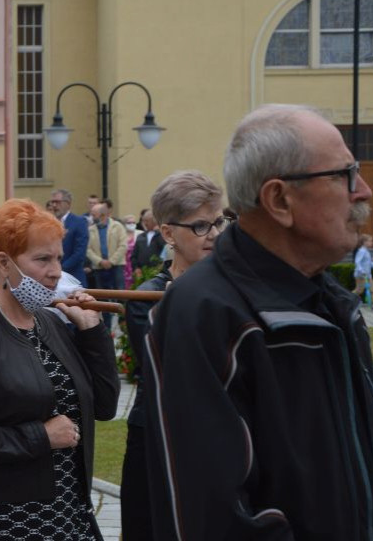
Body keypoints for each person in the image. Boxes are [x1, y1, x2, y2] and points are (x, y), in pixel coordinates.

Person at [144, 104, 373, 539]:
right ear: (278, 199)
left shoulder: (334, 303)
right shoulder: (206, 312)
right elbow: (214, 516)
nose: (364, 191)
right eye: (344, 175)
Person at [0, 199, 118, 541]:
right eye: (42, 259)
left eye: (59, 259)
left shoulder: (50, 323)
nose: (55, 272)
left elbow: (104, 407)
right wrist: (41, 436)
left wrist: (92, 333)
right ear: (4, 263)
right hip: (5, 513)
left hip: (68, 505)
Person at [119, 171, 225, 541]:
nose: (213, 234)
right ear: (167, 234)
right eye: (200, 226)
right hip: (159, 437)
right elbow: (173, 364)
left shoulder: (235, 289)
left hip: (223, 438)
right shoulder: (147, 298)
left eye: (218, 222)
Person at [86, 202, 127, 329]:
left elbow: (123, 245)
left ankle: (123, 325)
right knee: (102, 299)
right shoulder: (90, 229)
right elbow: (88, 249)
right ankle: (107, 327)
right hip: (99, 268)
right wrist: (100, 261)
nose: (92, 217)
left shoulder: (117, 226)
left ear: (103, 215)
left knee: (120, 296)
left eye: (94, 215)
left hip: (116, 266)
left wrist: (112, 261)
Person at [50, 189, 88, 285]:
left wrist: (60, 268)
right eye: (52, 202)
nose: (54, 205)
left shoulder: (79, 222)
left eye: (57, 202)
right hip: (52, 278)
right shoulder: (49, 223)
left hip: (73, 276)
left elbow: (80, 252)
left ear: (68, 203)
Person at [130, 209, 165, 280]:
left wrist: (158, 231)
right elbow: (134, 255)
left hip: (158, 272)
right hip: (142, 273)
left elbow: (164, 247)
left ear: (154, 221)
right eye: (143, 221)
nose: (144, 223)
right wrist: (136, 268)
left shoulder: (162, 235)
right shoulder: (140, 236)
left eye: (147, 221)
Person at [354, 233, 373, 306]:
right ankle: (349, 299)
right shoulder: (361, 251)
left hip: (367, 275)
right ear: (364, 242)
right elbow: (357, 262)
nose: (372, 243)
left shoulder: (367, 252)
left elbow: (370, 264)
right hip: (361, 275)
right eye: (370, 241)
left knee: (372, 289)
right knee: (359, 290)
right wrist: (361, 271)